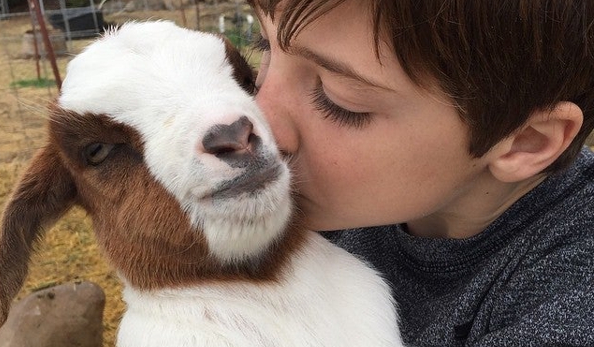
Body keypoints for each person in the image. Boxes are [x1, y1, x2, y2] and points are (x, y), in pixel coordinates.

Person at [245, 0, 594, 346]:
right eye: (265, 49)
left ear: (525, 142)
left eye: (339, 100)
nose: (259, 121)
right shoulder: (334, 202)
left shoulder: (570, 300)